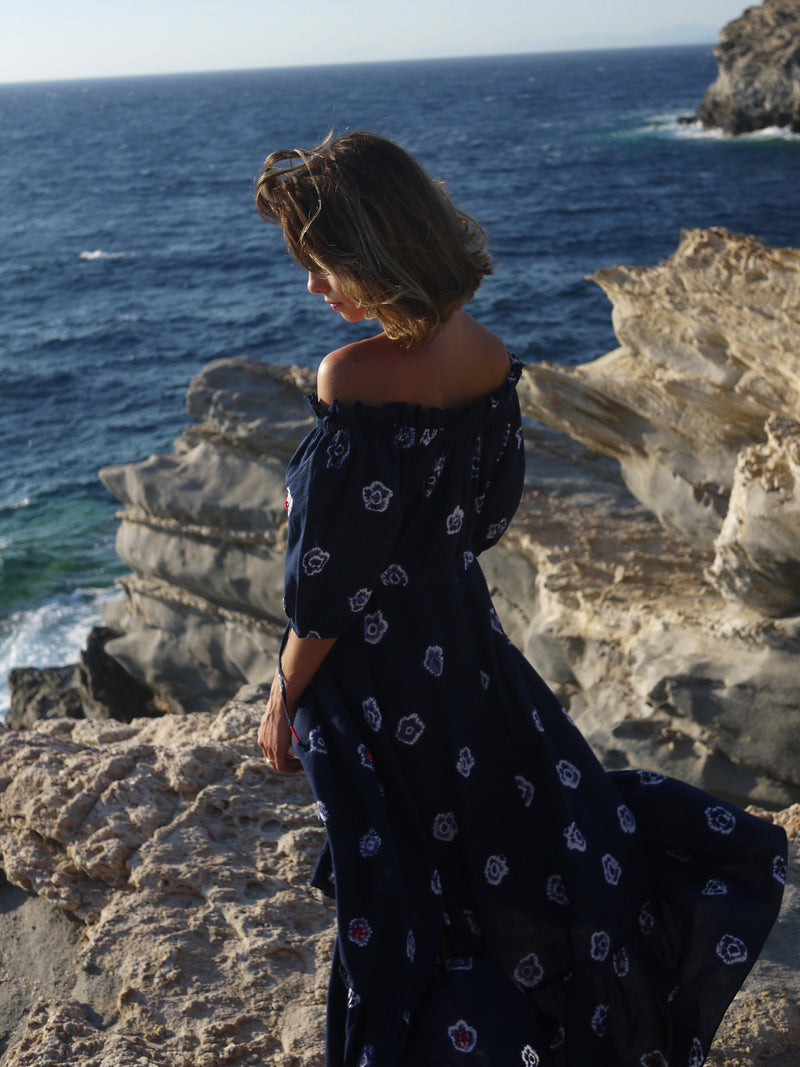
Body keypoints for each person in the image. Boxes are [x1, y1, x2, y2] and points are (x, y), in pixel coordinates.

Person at [254, 131, 786, 1067]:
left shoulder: (353, 378)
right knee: (481, 845)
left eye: (322, 263)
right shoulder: (491, 357)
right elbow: (481, 518)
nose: (312, 288)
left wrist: (283, 691)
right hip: (465, 650)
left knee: (400, 875)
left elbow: (328, 590)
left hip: (375, 676)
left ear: (379, 249)